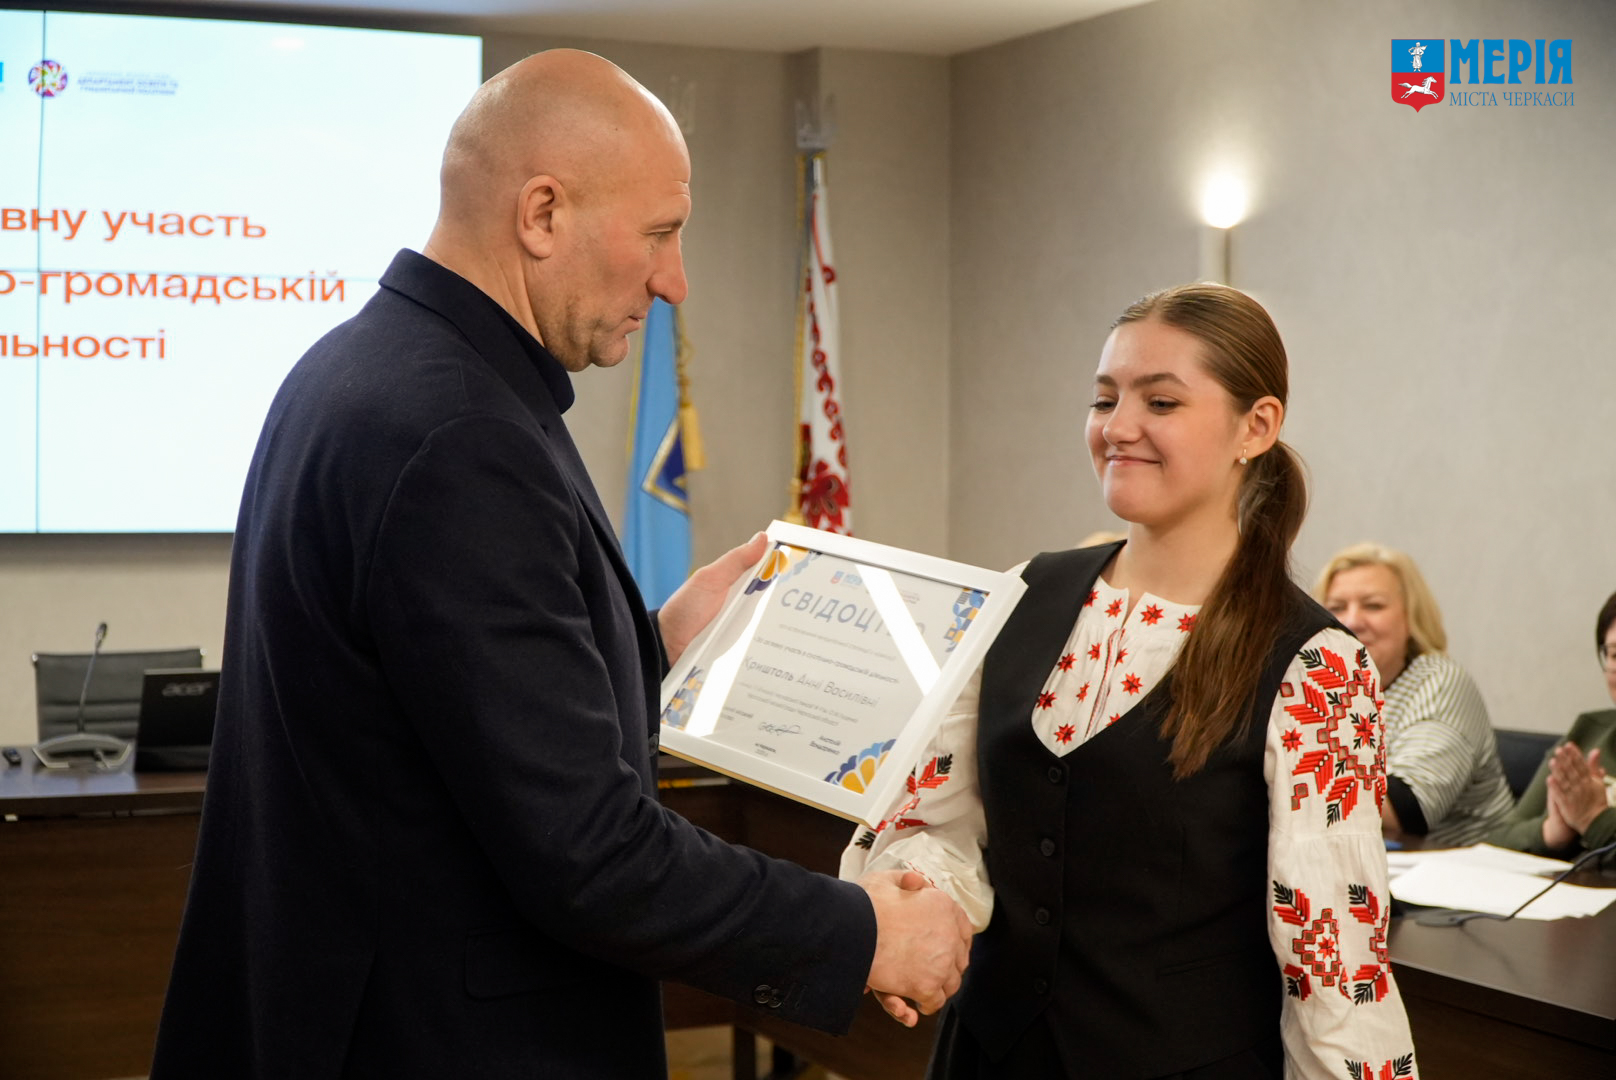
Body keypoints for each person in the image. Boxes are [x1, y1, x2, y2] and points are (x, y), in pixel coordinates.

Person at [151, 50, 970, 1080]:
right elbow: (590, 856)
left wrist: (651, 645)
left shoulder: (359, 368)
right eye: (662, 234)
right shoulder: (462, 435)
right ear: (541, 215)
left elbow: (429, 723)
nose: (673, 281)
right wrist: (864, 933)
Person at [843, 284, 1418, 1077]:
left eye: (1163, 401)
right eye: (1105, 398)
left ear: (1257, 427)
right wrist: (915, 909)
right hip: (992, 1056)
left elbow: (1332, 961)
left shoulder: (1314, 664)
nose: (1118, 428)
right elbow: (936, 815)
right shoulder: (1024, 593)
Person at [1316, 543, 1513, 848]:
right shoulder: (1323, 688)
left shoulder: (1440, 681)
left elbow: (1404, 810)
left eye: (1373, 605)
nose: (1351, 621)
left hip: (1459, 878)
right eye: (1336, 608)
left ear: (1411, 618)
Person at [1487, 590, 1616, 857]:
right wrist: (1551, 832)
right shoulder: (1590, 730)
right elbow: (1499, 839)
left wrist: (1594, 819)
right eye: (1615, 655)